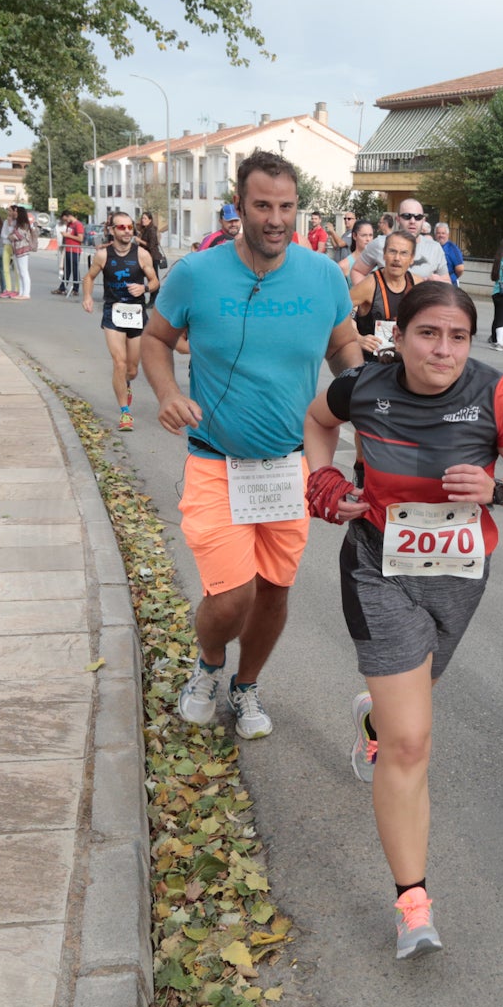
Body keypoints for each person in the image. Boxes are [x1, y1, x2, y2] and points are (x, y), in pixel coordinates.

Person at [301, 281, 503, 959]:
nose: (442, 349)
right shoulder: (364, 385)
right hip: (378, 569)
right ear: (402, 334)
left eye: (457, 337)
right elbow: (317, 421)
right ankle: (413, 901)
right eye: (428, 334)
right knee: (412, 742)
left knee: (404, 711)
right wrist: (322, 483)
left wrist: (497, 489)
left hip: (458, 579)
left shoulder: (495, 394)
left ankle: (374, 719)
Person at [143, 150, 363, 740]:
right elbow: (156, 339)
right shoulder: (197, 272)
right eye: (262, 205)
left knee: (273, 591)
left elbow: (345, 350)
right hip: (215, 462)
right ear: (238, 207)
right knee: (232, 594)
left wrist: (362, 399)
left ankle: (247, 686)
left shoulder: (322, 277)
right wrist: (165, 392)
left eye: (286, 207)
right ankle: (210, 664)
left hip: (287, 468)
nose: (275, 218)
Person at [81, 212, 159, 431]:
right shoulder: (103, 255)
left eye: (129, 227)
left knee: (132, 369)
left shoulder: (142, 254)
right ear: (112, 230)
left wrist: (143, 288)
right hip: (112, 312)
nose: (126, 231)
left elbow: (154, 282)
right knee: (119, 362)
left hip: (135, 313)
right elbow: (89, 277)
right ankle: (125, 413)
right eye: (121, 227)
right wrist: (87, 296)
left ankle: (126, 384)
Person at [348, 230, 425, 358]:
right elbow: (339, 311)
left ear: (412, 259)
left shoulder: (417, 284)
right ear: (384, 254)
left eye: (404, 253)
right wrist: (357, 337)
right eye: (392, 251)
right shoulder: (370, 285)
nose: (397, 258)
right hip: (372, 365)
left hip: (405, 363)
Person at [351, 199, 451, 284]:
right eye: (407, 216)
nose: (412, 221)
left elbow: (447, 282)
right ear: (398, 219)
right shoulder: (380, 243)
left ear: (423, 220)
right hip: (387, 306)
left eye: (418, 217)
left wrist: (439, 282)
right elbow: (357, 271)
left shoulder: (434, 248)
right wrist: (370, 297)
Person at [7, 205, 36, 300]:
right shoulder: (18, 224)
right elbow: (11, 234)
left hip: (22, 250)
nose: (14, 213)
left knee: (23, 272)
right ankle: (21, 292)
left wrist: (11, 236)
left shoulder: (24, 224)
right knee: (19, 272)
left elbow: (17, 236)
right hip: (17, 250)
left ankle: (26, 293)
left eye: (16, 211)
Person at [55, 212, 85, 296]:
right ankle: (62, 288)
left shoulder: (78, 224)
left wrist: (67, 235)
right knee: (67, 270)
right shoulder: (69, 224)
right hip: (68, 249)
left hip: (75, 250)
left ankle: (76, 289)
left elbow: (80, 238)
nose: (65, 221)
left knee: (75, 270)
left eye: (65, 219)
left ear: (68, 216)